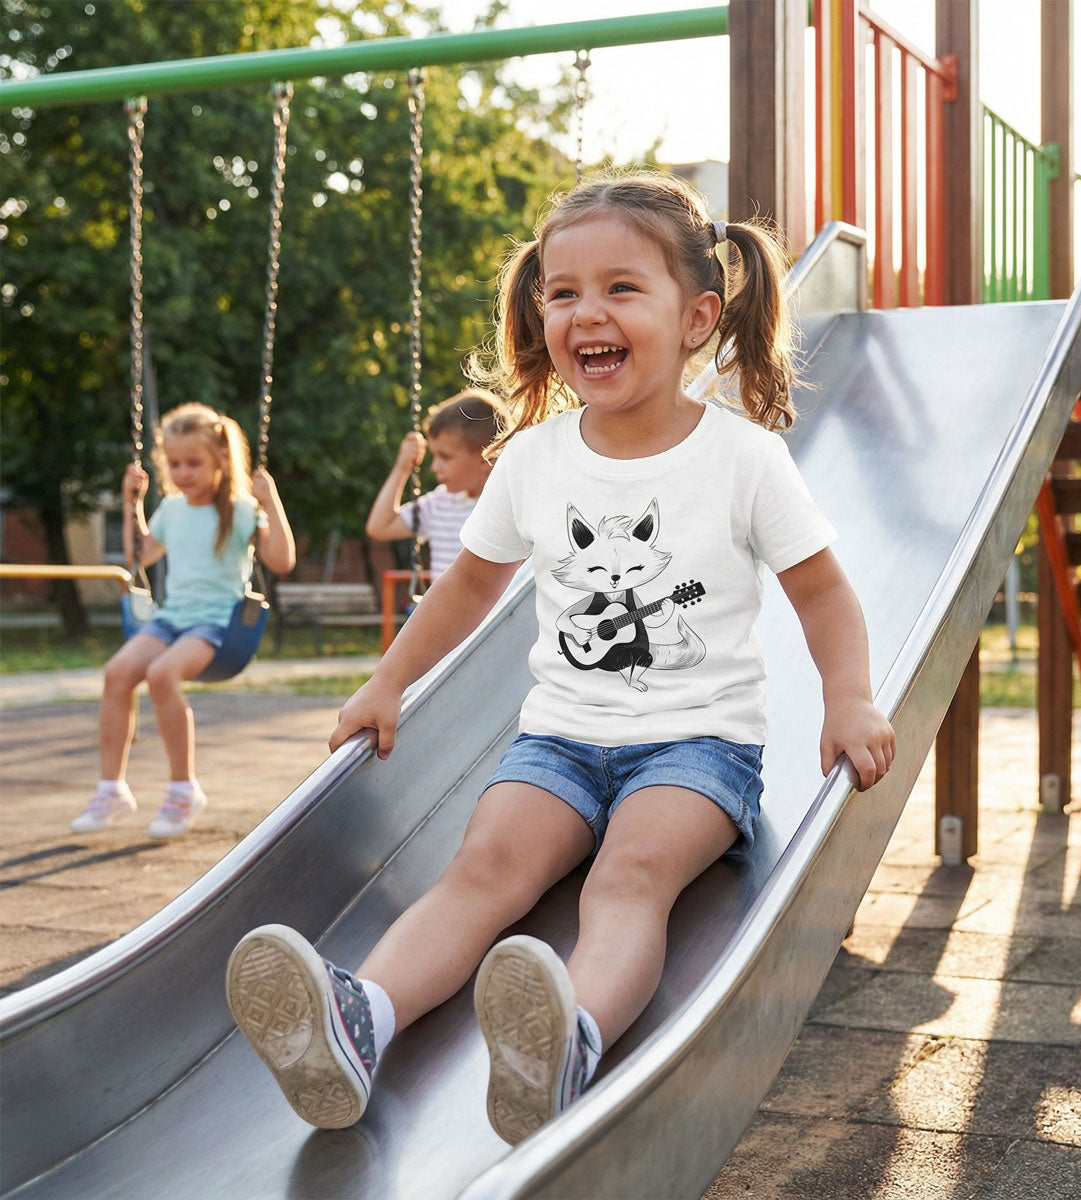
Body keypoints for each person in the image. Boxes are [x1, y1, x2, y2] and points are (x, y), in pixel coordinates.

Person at [225, 172, 896, 1142]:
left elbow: (823, 592)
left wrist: (850, 697)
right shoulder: (535, 459)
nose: (588, 312)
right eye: (564, 291)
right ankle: (359, 1021)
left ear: (697, 317)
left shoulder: (743, 459)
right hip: (559, 740)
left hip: (698, 748)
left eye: (622, 288)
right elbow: (465, 586)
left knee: (629, 877)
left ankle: (567, 1039)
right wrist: (387, 681)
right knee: (482, 867)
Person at [70, 402, 296, 839]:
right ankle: (111, 790)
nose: (182, 472)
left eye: (193, 463)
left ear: (220, 460)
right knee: (117, 673)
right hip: (172, 619)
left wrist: (270, 500)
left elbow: (282, 560)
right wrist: (131, 503)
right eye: (174, 464)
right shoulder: (172, 509)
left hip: (216, 624)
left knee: (161, 674)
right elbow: (140, 557)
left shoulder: (242, 509)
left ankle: (182, 790)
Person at [364, 389, 507, 582]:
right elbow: (379, 527)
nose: (434, 467)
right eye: (434, 455)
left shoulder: (510, 508)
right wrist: (402, 468)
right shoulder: (439, 503)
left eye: (445, 457)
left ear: (486, 458)